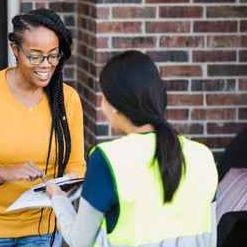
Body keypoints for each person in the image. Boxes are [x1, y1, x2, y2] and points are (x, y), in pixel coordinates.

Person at [46, 50, 219, 247]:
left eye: (103, 96)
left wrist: (58, 198)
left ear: (115, 105)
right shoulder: (203, 156)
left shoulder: (107, 159)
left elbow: (79, 241)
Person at [0, 8, 86, 247]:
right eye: (35, 56)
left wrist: (69, 182)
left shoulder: (67, 99)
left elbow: (76, 163)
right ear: (15, 50)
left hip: (42, 231)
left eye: (53, 55)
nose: (46, 65)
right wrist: (4, 172)